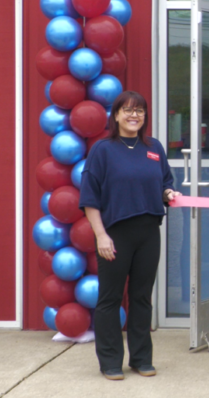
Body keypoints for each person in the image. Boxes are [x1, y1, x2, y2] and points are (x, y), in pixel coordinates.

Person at [79, 91, 180, 381]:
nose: (134, 116)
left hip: (149, 232)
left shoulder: (154, 148)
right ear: (116, 115)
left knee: (141, 298)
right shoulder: (103, 150)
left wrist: (168, 193)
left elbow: (164, 183)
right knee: (110, 299)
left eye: (139, 111)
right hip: (115, 234)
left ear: (145, 117)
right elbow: (89, 198)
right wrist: (101, 236)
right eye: (128, 110)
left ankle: (141, 359)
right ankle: (110, 362)